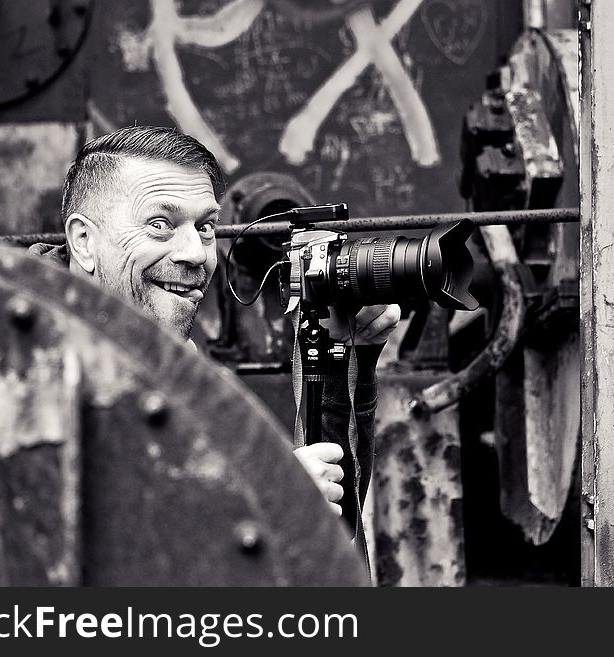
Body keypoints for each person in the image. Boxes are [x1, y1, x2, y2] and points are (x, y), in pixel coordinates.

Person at [29, 125, 399, 552]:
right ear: (84, 242)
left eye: (205, 227)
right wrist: (253, 506)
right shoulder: (12, 363)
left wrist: (346, 363)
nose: (196, 254)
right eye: (159, 224)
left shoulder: (178, 364)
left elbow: (332, 530)